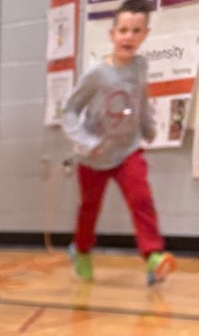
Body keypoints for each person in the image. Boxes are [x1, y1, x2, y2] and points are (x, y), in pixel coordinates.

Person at [63, 0, 174, 286]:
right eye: (123, 30)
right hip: (95, 154)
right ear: (112, 34)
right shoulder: (97, 73)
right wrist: (86, 141)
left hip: (128, 149)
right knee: (89, 208)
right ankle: (81, 250)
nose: (128, 37)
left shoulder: (140, 66)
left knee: (141, 200)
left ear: (145, 35)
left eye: (136, 31)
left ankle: (153, 256)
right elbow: (71, 110)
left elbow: (140, 100)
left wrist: (147, 127)